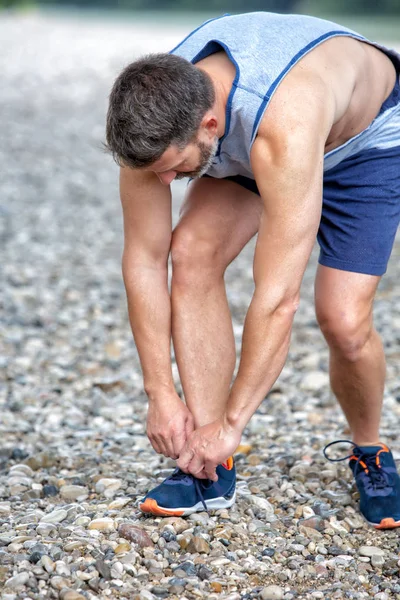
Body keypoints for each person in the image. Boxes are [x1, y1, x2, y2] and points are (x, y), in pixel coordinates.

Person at [105, 12, 400, 528]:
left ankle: (370, 450)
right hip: (252, 136)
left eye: (175, 168)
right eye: (159, 174)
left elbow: (278, 297)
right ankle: (208, 461)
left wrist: (236, 421)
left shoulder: (283, 124)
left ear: (210, 125)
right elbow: (144, 260)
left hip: (363, 142)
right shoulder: (152, 130)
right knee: (192, 252)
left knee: (343, 321)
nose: (168, 181)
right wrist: (160, 392)